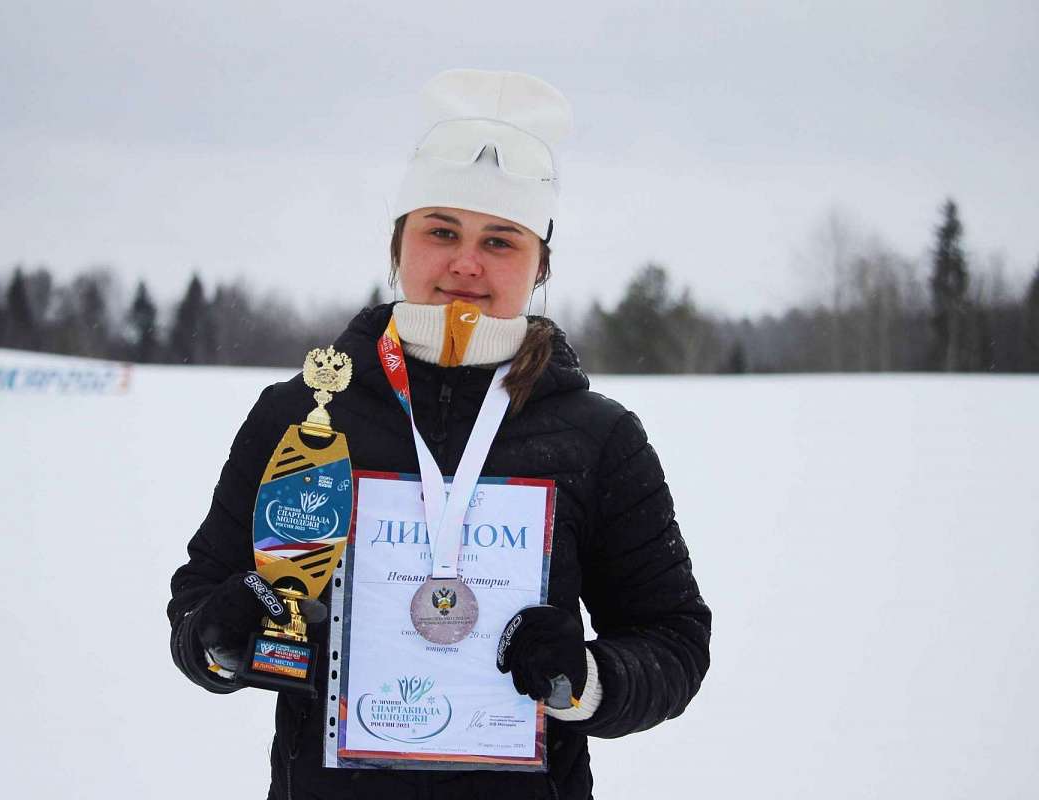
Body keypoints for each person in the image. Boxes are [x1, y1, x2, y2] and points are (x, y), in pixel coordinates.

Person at [168, 69, 710, 799]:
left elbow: (673, 641)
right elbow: (199, 608)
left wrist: (587, 680)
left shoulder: (598, 437)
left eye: (501, 240)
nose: (466, 263)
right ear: (399, 245)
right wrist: (224, 635)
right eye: (442, 230)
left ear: (540, 263)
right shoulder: (301, 415)